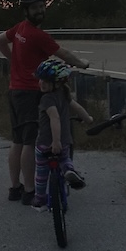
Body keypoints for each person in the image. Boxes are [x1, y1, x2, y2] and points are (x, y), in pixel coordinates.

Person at [0, 0, 90, 204]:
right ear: (26, 10)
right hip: (30, 92)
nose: (40, 11)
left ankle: (14, 188)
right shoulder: (37, 35)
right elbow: (63, 54)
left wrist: (14, 62)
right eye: (35, 8)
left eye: (42, 6)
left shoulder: (20, 28)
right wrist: (82, 63)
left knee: (17, 140)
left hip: (15, 90)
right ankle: (29, 191)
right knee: (30, 142)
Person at [30, 56, 93, 209]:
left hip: (46, 142)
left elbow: (55, 118)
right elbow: (76, 107)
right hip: (65, 141)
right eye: (40, 80)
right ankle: (69, 171)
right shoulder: (64, 94)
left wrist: (55, 141)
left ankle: (39, 198)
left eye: (45, 81)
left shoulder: (46, 99)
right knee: (64, 159)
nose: (41, 83)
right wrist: (88, 118)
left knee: (41, 173)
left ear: (58, 83)